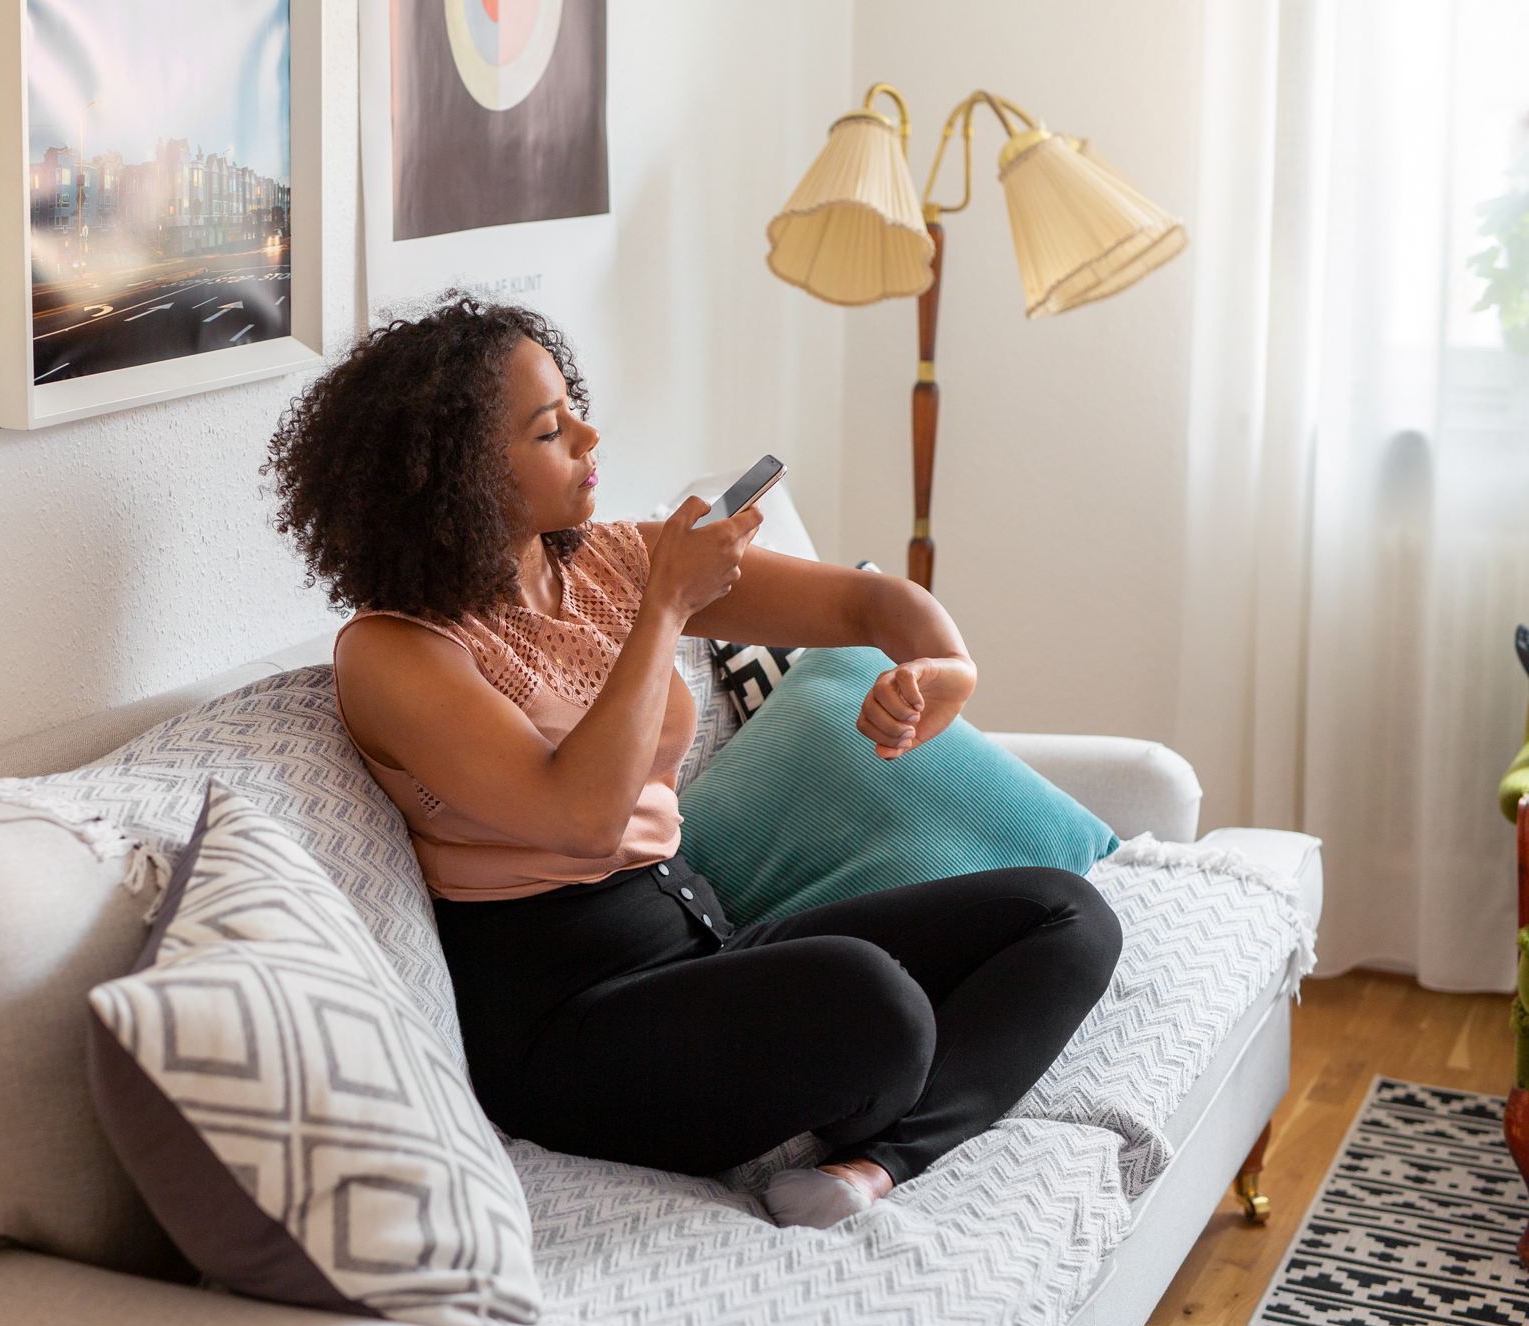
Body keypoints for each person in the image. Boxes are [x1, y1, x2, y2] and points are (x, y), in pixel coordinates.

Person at [265, 297, 1121, 1228]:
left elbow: (871, 608)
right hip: (566, 1024)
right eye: (551, 430)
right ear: (458, 476)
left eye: (573, 409)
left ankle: (872, 1167)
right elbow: (584, 814)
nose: (589, 436)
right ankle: (886, 1116)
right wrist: (666, 605)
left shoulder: (606, 562)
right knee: (879, 1005)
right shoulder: (395, 651)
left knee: (1065, 915)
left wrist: (944, 668)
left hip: (696, 941)